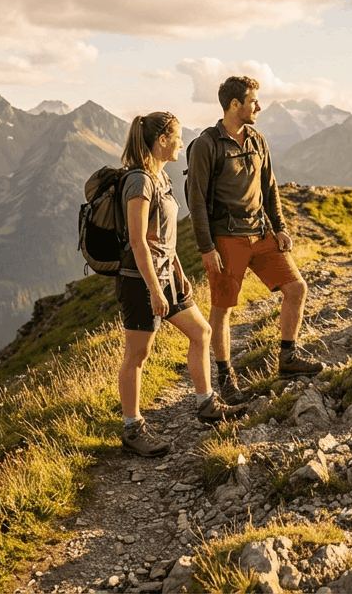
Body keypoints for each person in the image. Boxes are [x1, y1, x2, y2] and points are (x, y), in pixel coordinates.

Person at [116, 111, 244, 458]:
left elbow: (163, 237)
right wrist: (156, 290)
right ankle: (132, 428)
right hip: (141, 279)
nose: (181, 143)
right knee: (138, 354)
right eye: (177, 137)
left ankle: (206, 404)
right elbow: (139, 241)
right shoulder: (140, 181)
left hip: (167, 274)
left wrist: (176, 269)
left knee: (201, 333)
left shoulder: (161, 178)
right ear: (161, 141)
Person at [186, 76, 321, 404]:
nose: (258, 107)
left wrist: (280, 226)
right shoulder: (207, 144)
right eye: (253, 101)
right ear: (235, 105)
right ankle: (225, 377)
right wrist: (206, 247)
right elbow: (197, 200)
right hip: (226, 239)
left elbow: (270, 186)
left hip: (261, 234)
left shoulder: (257, 140)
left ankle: (287, 358)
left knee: (296, 289)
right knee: (222, 310)